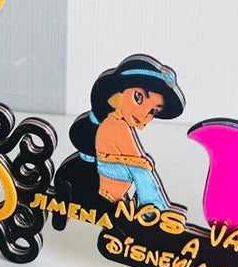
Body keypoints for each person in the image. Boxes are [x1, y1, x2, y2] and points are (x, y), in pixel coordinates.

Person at [52, 55, 184, 226]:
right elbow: (139, 163)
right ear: (117, 95)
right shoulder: (116, 125)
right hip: (101, 191)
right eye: (138, 98)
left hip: (109, 191)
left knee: (142, 169)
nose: (143, 114)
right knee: (142, 171)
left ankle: (155, 209)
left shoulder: (117, 124)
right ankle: (155, 210)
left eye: (153, 111)